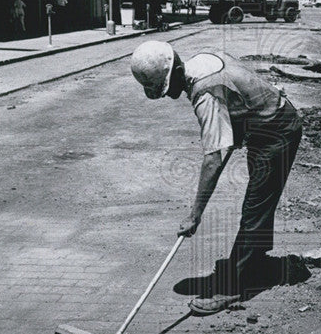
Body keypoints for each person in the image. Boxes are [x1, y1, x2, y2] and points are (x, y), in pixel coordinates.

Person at [130, 40, 303, 315]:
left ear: (175, 70)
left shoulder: (205, 92)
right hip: (264, 125)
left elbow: (212, 160)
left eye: (165, 89)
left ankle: (234, 285)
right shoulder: (201, 60)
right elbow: (224, 140)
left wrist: (195, 214)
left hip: (278, 130)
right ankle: (255, 260)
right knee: (258, 202)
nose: (168, 95)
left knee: (255, 207)